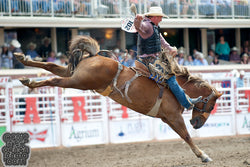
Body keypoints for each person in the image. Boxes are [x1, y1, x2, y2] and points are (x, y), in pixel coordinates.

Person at [133, 6, 201, 109]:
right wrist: (137, 20)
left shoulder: (153, 26)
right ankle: (187, 103)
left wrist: (170, 48)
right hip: (148, 60)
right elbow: (138, 26)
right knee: (171, 78)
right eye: (160, 17)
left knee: (172, 76)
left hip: (151, 59)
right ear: (154, 17)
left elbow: (161, 40)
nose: (161, 19)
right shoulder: (147, 25)